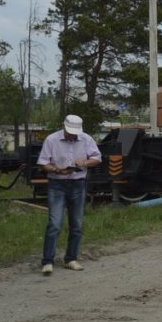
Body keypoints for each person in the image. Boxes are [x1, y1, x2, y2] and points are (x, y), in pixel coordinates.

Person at [37, 115, 102, 276]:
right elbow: (43, 163)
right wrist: (57, 169)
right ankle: (47, 261)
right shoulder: (51, 140)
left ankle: (71, 258)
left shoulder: (86, 139)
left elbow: (97, 158)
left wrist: (85, 163)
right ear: (63, 127)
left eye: (74, 133)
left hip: (78, 184)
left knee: (77, 224)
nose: (72, 135)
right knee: (54, 223)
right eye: (69, 132)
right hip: (57, 184)